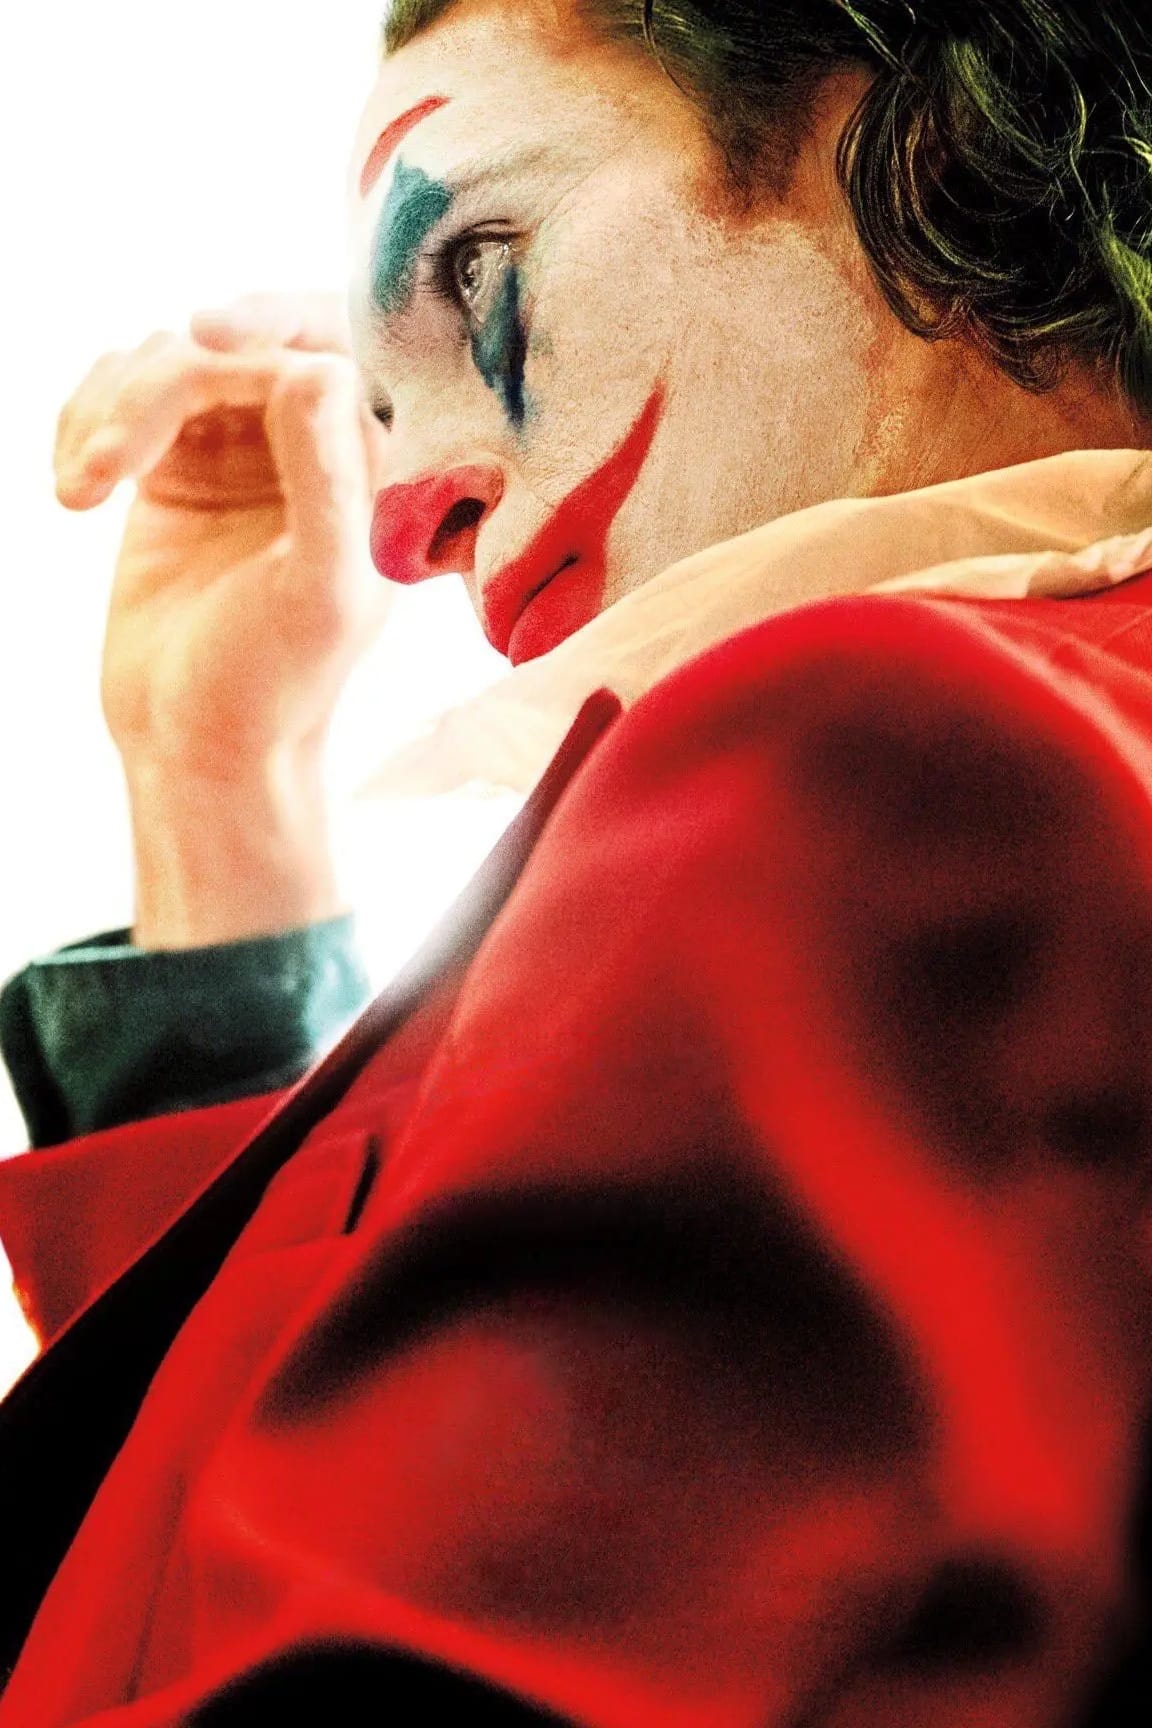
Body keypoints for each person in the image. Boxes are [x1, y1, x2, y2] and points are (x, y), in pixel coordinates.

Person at [1, 0, 1152, 1721]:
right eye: (378, 406)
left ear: (932, 147)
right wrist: (218, 772)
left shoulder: (875, 741)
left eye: (473, 265)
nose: (403, 523)